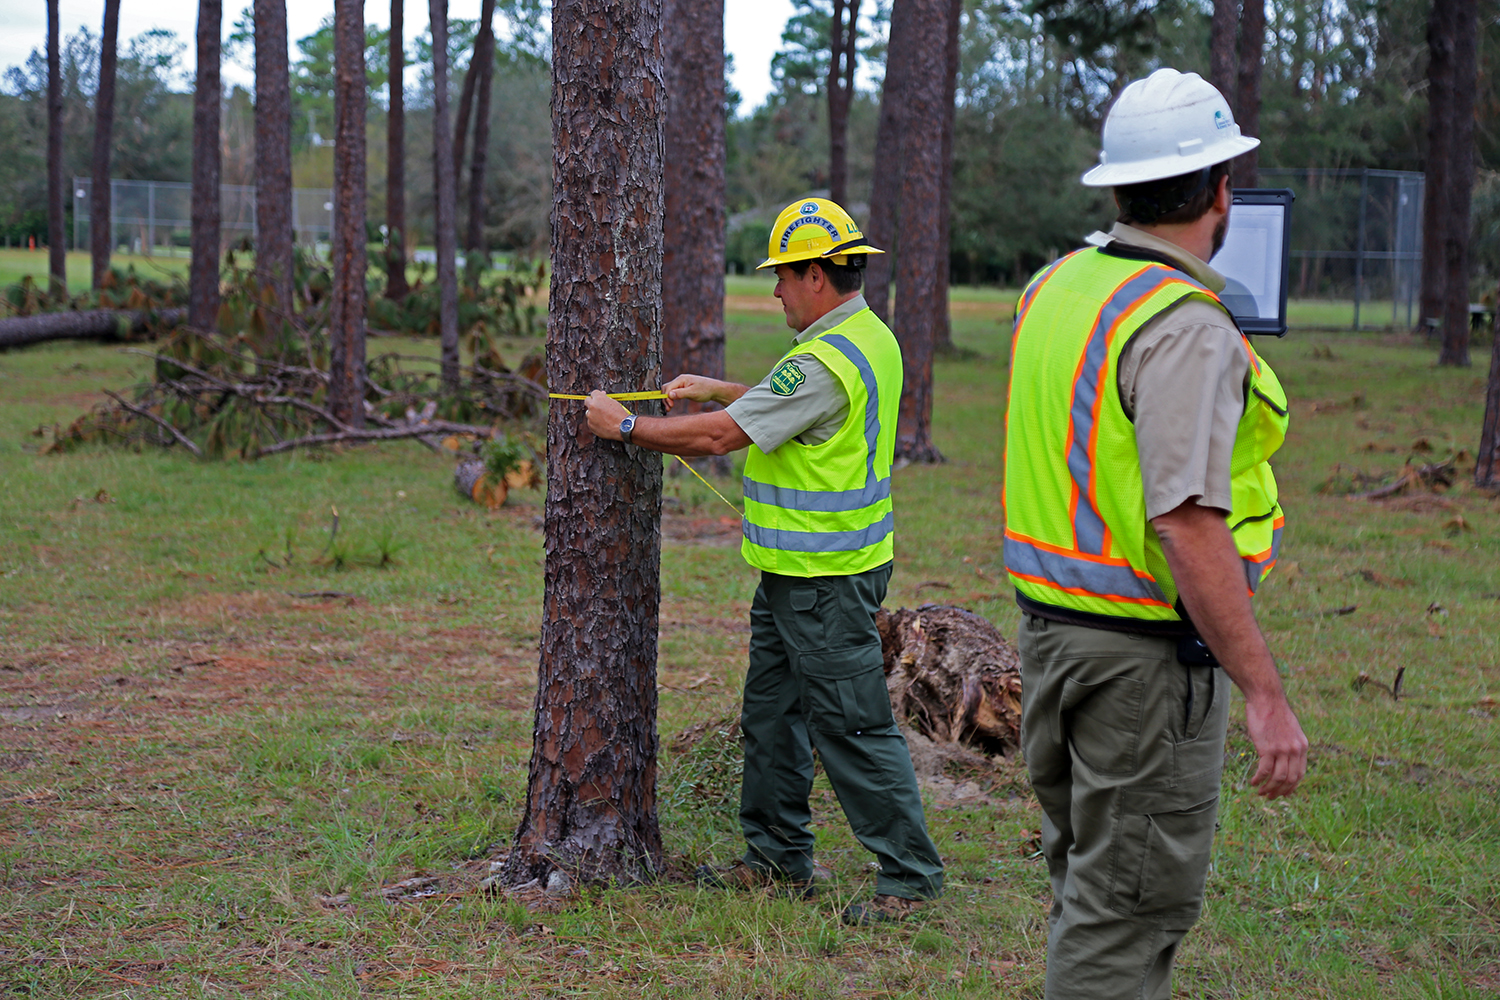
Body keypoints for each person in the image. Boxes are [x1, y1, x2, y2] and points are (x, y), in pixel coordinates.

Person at [1002, 68, 1309, 999]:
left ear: (1119, 186)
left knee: (1092, 891)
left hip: (1055, 645)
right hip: (1139, 671)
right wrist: (1264, 692)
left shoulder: (1056, 287)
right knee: (1124, 918)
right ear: (1221, 190)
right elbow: (1183, 522)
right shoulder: (1182, 323)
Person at [585, 197, 944, 926]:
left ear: (817, 273)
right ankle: (778, 859)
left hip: (825, 584)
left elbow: (720, 441)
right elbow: (795, 412)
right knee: (773, 717)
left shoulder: (822, 358)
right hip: (803, 579)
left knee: (851, 725)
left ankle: (908, 876)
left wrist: (623, 426)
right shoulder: (863, 335)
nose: (775, 289)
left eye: (783, 275)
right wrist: (722, 389)